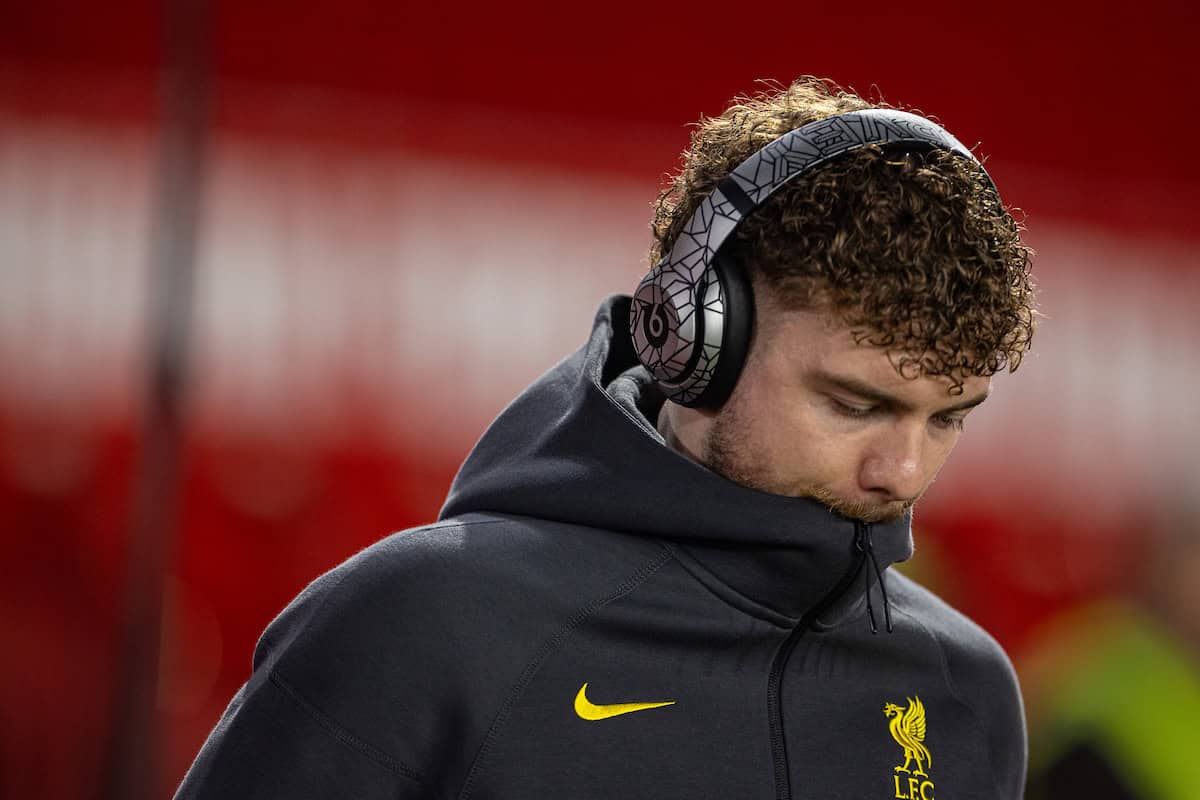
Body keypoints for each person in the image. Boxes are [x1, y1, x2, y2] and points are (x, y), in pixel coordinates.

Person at [175, 77, 1036, 800]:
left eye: (949, 417)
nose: (904, 471)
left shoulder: (967, 698)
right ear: (695, 343)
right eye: (854, 405)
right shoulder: (417, 628)